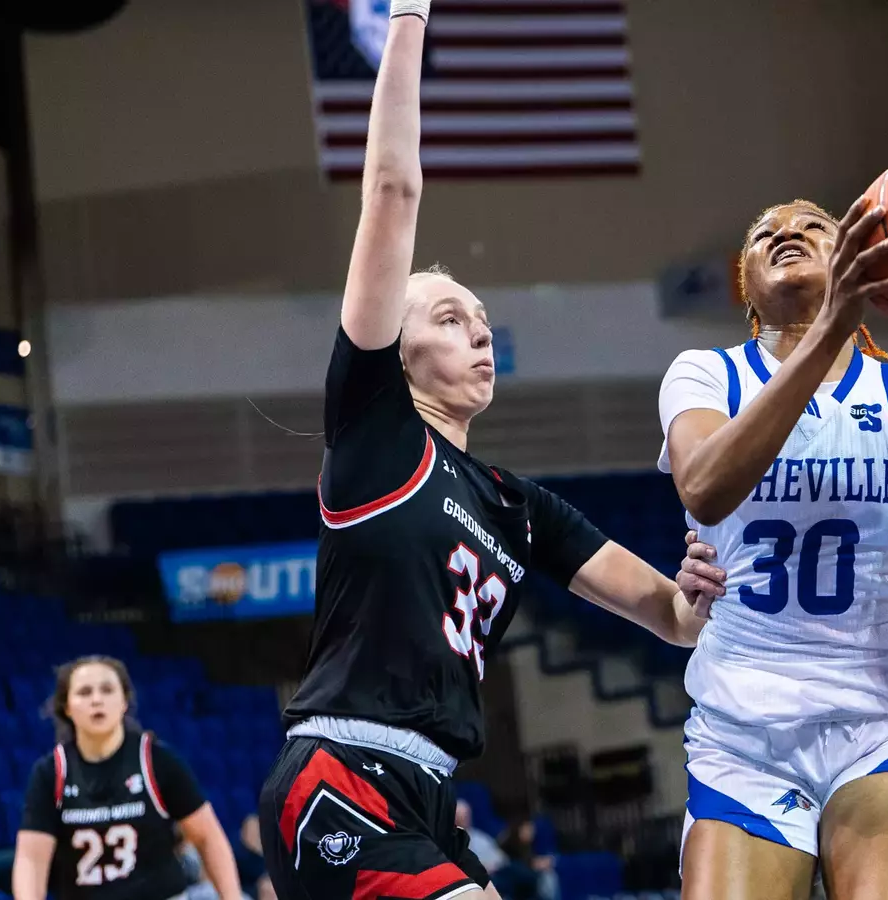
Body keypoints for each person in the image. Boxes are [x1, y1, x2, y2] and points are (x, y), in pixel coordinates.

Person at [256, 7, 720, 900]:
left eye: (481, 322)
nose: (477, 334)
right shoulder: (375, 434)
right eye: (447, 318)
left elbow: (668, 616)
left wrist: (702, 589)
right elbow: (392, 190)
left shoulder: (519, 505)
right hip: (339, 774)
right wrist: (408, 17)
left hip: (432, 797)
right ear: (395, 347)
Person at [658, 180, 888, 898]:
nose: (785, 230)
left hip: (885, 718)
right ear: (747, 291)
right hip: (743, 727)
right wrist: (831, 325)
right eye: (764, 231)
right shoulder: (706, 374)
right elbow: (704, 486)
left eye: (812, 225)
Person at [12, 656, 243, 900]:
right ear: (67, 706)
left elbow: (207, 837)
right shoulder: (51, 772)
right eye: (84, 692)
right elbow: (31, 858)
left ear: (124, 701)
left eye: (107, 690)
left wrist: (232, 897)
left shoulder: (157, 760)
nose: (97, 700)